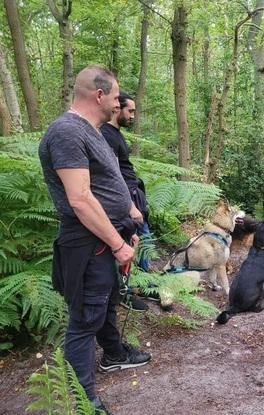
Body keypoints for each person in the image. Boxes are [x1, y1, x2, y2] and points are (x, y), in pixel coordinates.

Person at [39, 65, 151, 415]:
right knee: (84, 318)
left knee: (102, 306)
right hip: (88, 243)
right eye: (117, 97)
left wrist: (130, 212)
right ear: (99, 95)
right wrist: (117, 246)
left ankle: (113, 357)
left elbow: (106, 183)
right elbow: (80, 199)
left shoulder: (92, 132)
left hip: (106, 238)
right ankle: (82, 400)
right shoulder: (66, 132)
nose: (119, 104)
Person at [101, 91, 154, 311]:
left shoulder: (116, 133)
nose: (132, 115)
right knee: (134, 242)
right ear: (117, 108)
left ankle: (146, 285)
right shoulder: (105, 134)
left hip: (133, 195)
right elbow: (112, 175)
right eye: (130, 110)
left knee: (143, 241)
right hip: (125, 200)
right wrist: (129, 206)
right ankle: (128, 290)